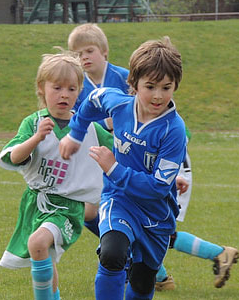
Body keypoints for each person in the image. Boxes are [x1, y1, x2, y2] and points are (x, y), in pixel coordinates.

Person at [59, 36, 186, 299]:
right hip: (119, 200)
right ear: (134, 84)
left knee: (141, 283)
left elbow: (159, 187)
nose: (158, 95)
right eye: (150, 86)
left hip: (156, 215)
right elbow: (92, 102)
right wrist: (75, 135)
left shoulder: (173, 130)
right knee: (112, 253)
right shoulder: (117, 103)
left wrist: (113, 168)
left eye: (166, 87)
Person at [0, 51, 114, 300]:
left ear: (79, 91)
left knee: (38, 243)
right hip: (35, 204)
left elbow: (123, 150)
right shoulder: (33, 123)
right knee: (45, 256)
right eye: (57, 87)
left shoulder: (89, 127)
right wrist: (36, 138)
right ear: (42, 88)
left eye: (72, 89)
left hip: (68, 206)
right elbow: (13, 157)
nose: (64, 94)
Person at [155, 134, 239, 291]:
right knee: (144, 231)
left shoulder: (157, 116)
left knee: (148, 231)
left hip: (169, 175)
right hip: (169, 173)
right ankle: (159, 279)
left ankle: (219, 253)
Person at [67, 23, 129, 233]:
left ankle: (125, 249)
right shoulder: (76, 85)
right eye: (78, 54)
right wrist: (105, 124)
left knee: (129, 212)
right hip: (93, 153)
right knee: (89, 213)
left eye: (89, 51)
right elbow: (75, 122)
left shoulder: (125, 78)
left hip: (126, 152)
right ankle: (111, 240)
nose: (84, 57)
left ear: (104, 52)